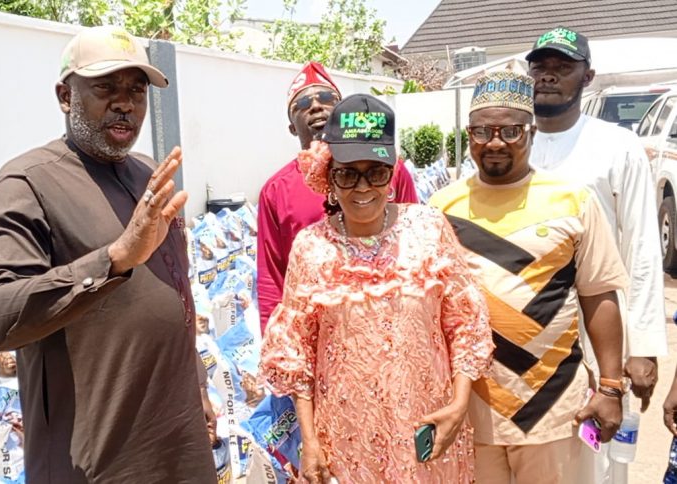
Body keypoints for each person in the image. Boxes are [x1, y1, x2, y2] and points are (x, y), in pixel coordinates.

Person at [0, 26, 215, 482]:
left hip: (179, 444)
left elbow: (176, 292)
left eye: (137, 91)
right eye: (105, 88)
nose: (125, 104)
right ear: (66, 96)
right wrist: (113, 259)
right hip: (97, 462)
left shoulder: (148, 174)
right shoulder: (26, 184)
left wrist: (197, 381)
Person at [260, 93, 494, 482]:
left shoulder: (428, 229)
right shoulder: (311, 248)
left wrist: (458, 404)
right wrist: (310, 439)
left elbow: (466, 323)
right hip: (346, 437)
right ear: (329, 176)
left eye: (376, 172)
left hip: (428, 427)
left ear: (392, 173)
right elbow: (296, 350)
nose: (362, 187)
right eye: (347, 174)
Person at [430, 71, 628, 483]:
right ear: (468, 135)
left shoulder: (572, 199)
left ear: (532, 133)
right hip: (470, 408)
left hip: (553, 406)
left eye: (511, 131)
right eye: (482, 131)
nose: (495, 142)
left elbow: (598, 295)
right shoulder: (440, 208)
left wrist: (611, 387)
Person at [526, 27, 666, 483]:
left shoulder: (616, 145)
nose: (548, 77)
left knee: (599, 464)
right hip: (529, 330)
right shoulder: (509, 142)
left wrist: (643, 346)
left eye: (562, 68)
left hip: (599, 331)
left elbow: (642, 246)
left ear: (587, 77)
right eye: (540, 68)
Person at [256, 62, 419, 333]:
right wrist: (274, 341)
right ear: (292, 128)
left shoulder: (392, 170)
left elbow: (416, 246)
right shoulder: (275, 191)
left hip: (391, 322)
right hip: (317, 330)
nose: (316, 106)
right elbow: (271, 280)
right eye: (303, 103)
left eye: (326, 97)